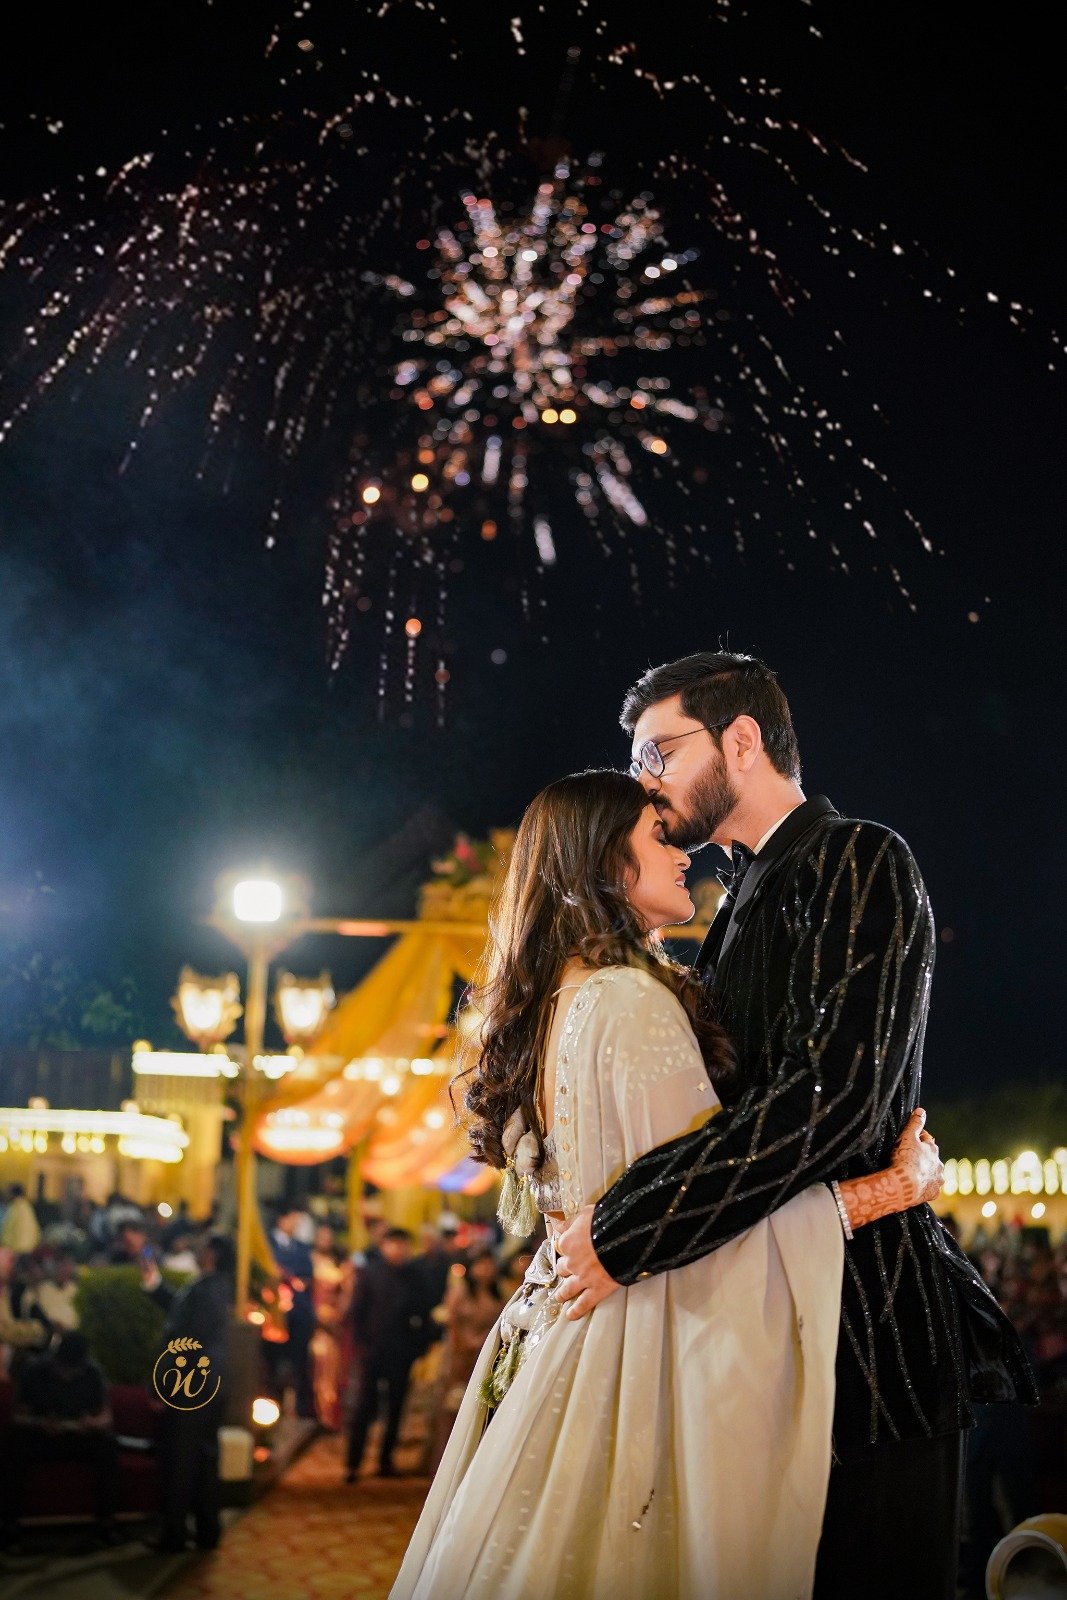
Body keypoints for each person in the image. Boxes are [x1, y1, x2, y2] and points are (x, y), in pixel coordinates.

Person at [551, 653, 1038, 1600]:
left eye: (658, 753)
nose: (644, 782)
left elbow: (831, 1096)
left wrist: (625, 1229)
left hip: (868, 1340)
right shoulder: (737, 898)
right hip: (765, 1323)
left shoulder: (858, 858)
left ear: (741, 739)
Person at [389, 770, 941, 1600]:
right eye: (658, 837)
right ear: (604, 864)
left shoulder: (558, 998)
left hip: (560, 1329)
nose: (683, 853)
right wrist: (890, 1190)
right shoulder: (628, 1005)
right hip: (625, 1353)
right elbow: (703, 1225)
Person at [139, 1232, 234, 1552]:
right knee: (205, 1456)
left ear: (212, 1255)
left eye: (203, 1246)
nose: (196, 1248)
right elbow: (185, 1314)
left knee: (180, 1458)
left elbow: (183, 1335)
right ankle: (207, 1530)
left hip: (191, 1383)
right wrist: (155, 1286)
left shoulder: (206, 1289)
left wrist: (161, 1383)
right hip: (209, 1381)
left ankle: (174, 1533)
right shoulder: (215, 1287)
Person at [1, 1331, 119, 1549]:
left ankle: (107, 1523)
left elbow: (106, 1417)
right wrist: (39, 1423)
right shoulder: (34, 1371)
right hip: (42, 1436)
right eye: (63, 1370)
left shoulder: (92, 1372)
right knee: (14, 1446)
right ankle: (9, 1524)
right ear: (55, 1360)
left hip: (79, 1436)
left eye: (74, 1371)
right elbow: (18, 1416)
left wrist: (93, 1423)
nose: (68, 1376)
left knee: (108, 1445)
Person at [347, 1227, 430, 1482]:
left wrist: (417, 1348)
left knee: (396, 1408)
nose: (398, 1249)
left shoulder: (415, 1277)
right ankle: (353, 1463)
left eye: (403, 1244)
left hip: (401, 1353)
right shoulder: (370, 1274)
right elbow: (356, 1313)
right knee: (364, 1407)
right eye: (393, 1244)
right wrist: (361, 1346)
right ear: (383, 1246)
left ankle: (385, 1460)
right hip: (372, 1352)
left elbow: (423, 1315)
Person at [428, 1248, 504, 1474]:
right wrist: (467, 1343)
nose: (485, 1270)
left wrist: (484, 1341)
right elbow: (451, 1324)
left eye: (489, 1264)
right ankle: (445, 1466)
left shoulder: (498, 1294)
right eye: (481, 1264)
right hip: (459, 1358)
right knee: (452, 1407)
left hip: (486, 1357)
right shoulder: (460, 1292)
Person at [270, 1206, 317, 1419]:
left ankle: (302, 1410)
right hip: (274, 1316)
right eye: (293, 1219)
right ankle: (273, 1407)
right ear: (282, 1219)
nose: (296, 1224)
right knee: (274, 1363)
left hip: (299, 1313)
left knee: (301, 1363)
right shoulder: (267, 1244)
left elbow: (306, 1276)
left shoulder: (302, 1248)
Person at [1, 1184, 40, 1253]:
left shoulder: (15, 1207)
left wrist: (4, 1245)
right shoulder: (26, 1206)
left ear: (13, 1194)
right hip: (28, 1247)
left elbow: (8, 1228)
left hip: (16, 1248)